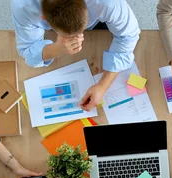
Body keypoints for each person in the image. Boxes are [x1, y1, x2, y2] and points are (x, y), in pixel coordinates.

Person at [11, 0, 140, 110]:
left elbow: (129, 35)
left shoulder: (107, 2)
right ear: (42, 17)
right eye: (69, 36)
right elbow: (26, 49)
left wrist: (103, 85)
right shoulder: (23, 5)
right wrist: (57, 49)